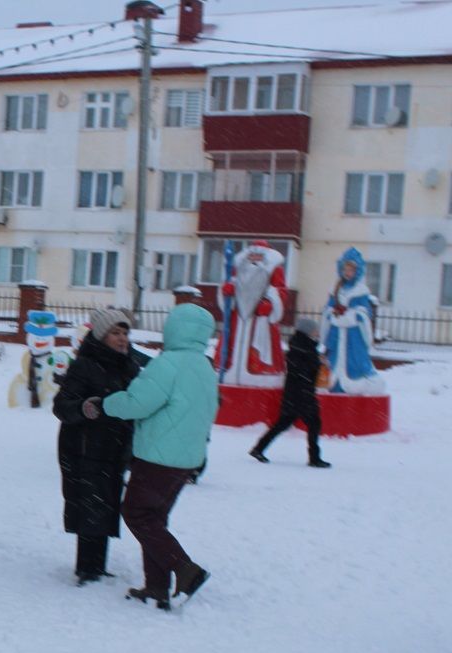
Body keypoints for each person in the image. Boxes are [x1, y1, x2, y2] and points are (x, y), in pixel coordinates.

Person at [98, 303, 217, 611]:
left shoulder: (168, 364)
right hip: (187, 458)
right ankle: (156, 588)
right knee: (154, 519)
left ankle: (186, 569)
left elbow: (139, 403)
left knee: (136, 514)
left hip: (158, 457)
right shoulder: (205, 366)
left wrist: (107, 404)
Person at [52, 308, 140, 586]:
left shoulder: (129, 365)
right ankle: (86, 568)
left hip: (114, 446)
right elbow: (61, 406)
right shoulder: (85, 364)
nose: (122, 339)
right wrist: (83, 407)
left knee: (106, 503)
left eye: (125, 333)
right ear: (102, 335)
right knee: (90, 503)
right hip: (84, 447)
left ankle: (98, 566)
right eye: (116, 333)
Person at [250, 317, 331, 468]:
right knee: (314, 423)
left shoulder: (301, 345)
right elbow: (302, 369)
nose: (317, 332)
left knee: (283, 423)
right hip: (302, 392)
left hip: (295, 392)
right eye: (314, 329)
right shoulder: (303, 347)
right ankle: (314, 458)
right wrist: (317, 363)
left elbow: (302, 367)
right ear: (307, 331)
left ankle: (258, 448)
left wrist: (317, 361)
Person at [219, 241, 287, 387]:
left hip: (259, 319)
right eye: (252, 254)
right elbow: (229, 287)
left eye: (259, 255)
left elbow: (280, 291)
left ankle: (259, 374)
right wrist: (227, 292)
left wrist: (270, 304)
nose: (255, 257)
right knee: (231, 346)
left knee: (258, 351)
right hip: (237, 319)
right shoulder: (238, 269)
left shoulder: (274, 270)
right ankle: (229, 371)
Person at [320, 247, 384, 395]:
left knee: (355, 361)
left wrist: (351, 316)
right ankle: (335, 384)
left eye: (351, 270)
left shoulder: (361, 290)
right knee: (333, 359)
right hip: (336, 334)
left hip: (354, 336)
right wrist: (333, 313)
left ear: (357, 271)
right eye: (345, 269)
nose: (347, 273)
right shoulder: (335, 289)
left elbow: (365, 312)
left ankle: (357, 383)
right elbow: (328, 309)